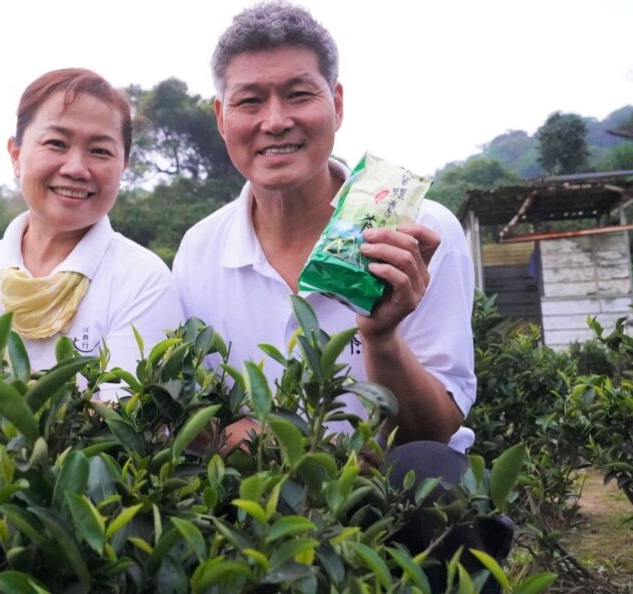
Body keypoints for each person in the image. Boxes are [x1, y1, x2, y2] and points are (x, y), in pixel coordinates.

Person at [171, 2, 509, 588]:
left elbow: (431, 432)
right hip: (266, 501)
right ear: (222, 117)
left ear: (338, 103)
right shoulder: (199, 251)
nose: (275, 121)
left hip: (392, 498)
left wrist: (380, 335)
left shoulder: (413, 231)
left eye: (299, 94)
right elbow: (201, 422)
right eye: (250, 101)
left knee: (430, 470)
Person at [0, 68, 182, 382]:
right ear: (15, 155)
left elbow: (128, 425)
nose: (76, 168)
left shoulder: (142, 281)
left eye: (100, 151)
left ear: (123, 166)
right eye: (56, 143)